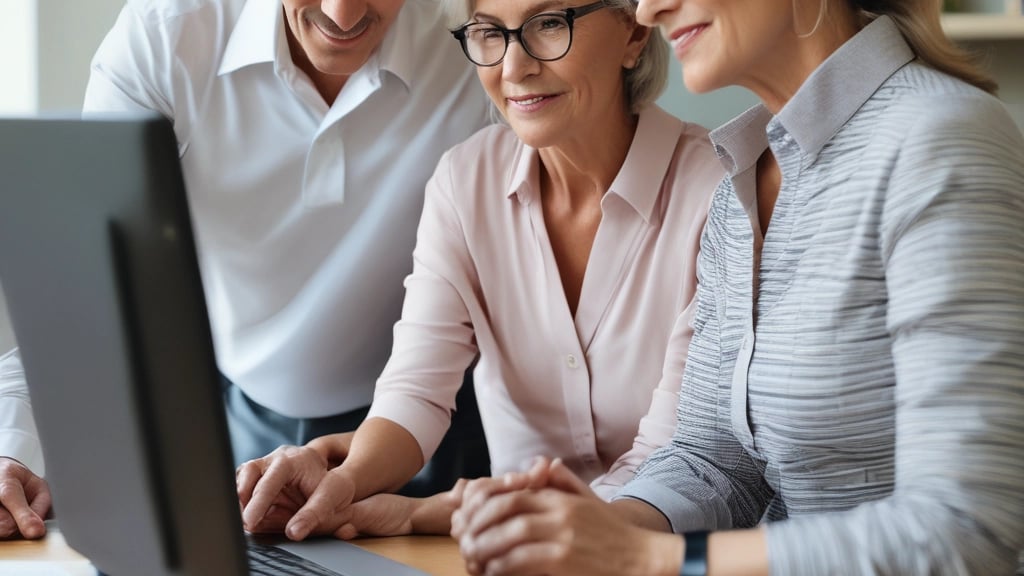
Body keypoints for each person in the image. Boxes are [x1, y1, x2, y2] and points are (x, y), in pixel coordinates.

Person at [451, 0, 1024, 574]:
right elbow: (715, 461)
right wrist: (595, 524)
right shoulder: (739, 186)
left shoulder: (939, 139)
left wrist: (652, 557)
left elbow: (967, 528)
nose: (650, 10)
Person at [0, 0, 494, 540]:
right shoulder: (166, 39)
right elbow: (86, 286)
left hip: (443, 424)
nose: (342, 12)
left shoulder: (481, 39)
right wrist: (14, 446)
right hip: (231, 422)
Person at [234, 0, 724, 542]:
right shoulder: (465, 180)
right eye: (490, 33)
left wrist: (435, 512)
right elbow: (416, 392)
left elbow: (677, 460)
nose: (513, 67)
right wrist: (340, 485)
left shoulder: (717, 191)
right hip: (506, 552)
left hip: (665, 553)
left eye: (548, 24)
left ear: (632, 33)